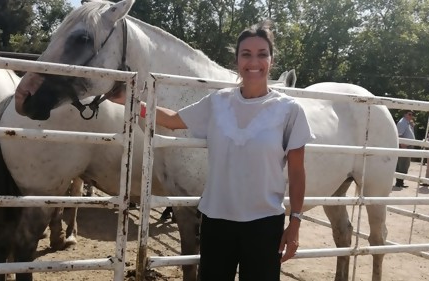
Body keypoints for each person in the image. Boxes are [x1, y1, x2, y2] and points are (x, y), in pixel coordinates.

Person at [110, 20, 313, 281]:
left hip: (264, 225)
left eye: (262, 54)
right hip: (217, 222)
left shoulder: (290, 110)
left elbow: (297, 171)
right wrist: (131, 101)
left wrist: (294, 222)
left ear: (271, 60)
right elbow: (172, 120)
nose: (254, 62)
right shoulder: (219, 102)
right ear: (237, 60)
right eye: (246, 54)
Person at [395, 110, 415, 188]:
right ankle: (399, 182)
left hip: (408, 146)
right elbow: (399, 135)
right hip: (404, 146)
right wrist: (402, 145)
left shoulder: (407, 122)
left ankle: (401, 182)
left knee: (405, 164)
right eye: (409, 114)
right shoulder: (402, 122)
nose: (411, 116)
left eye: (412, 115)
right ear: (405, 114)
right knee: (402, 164)